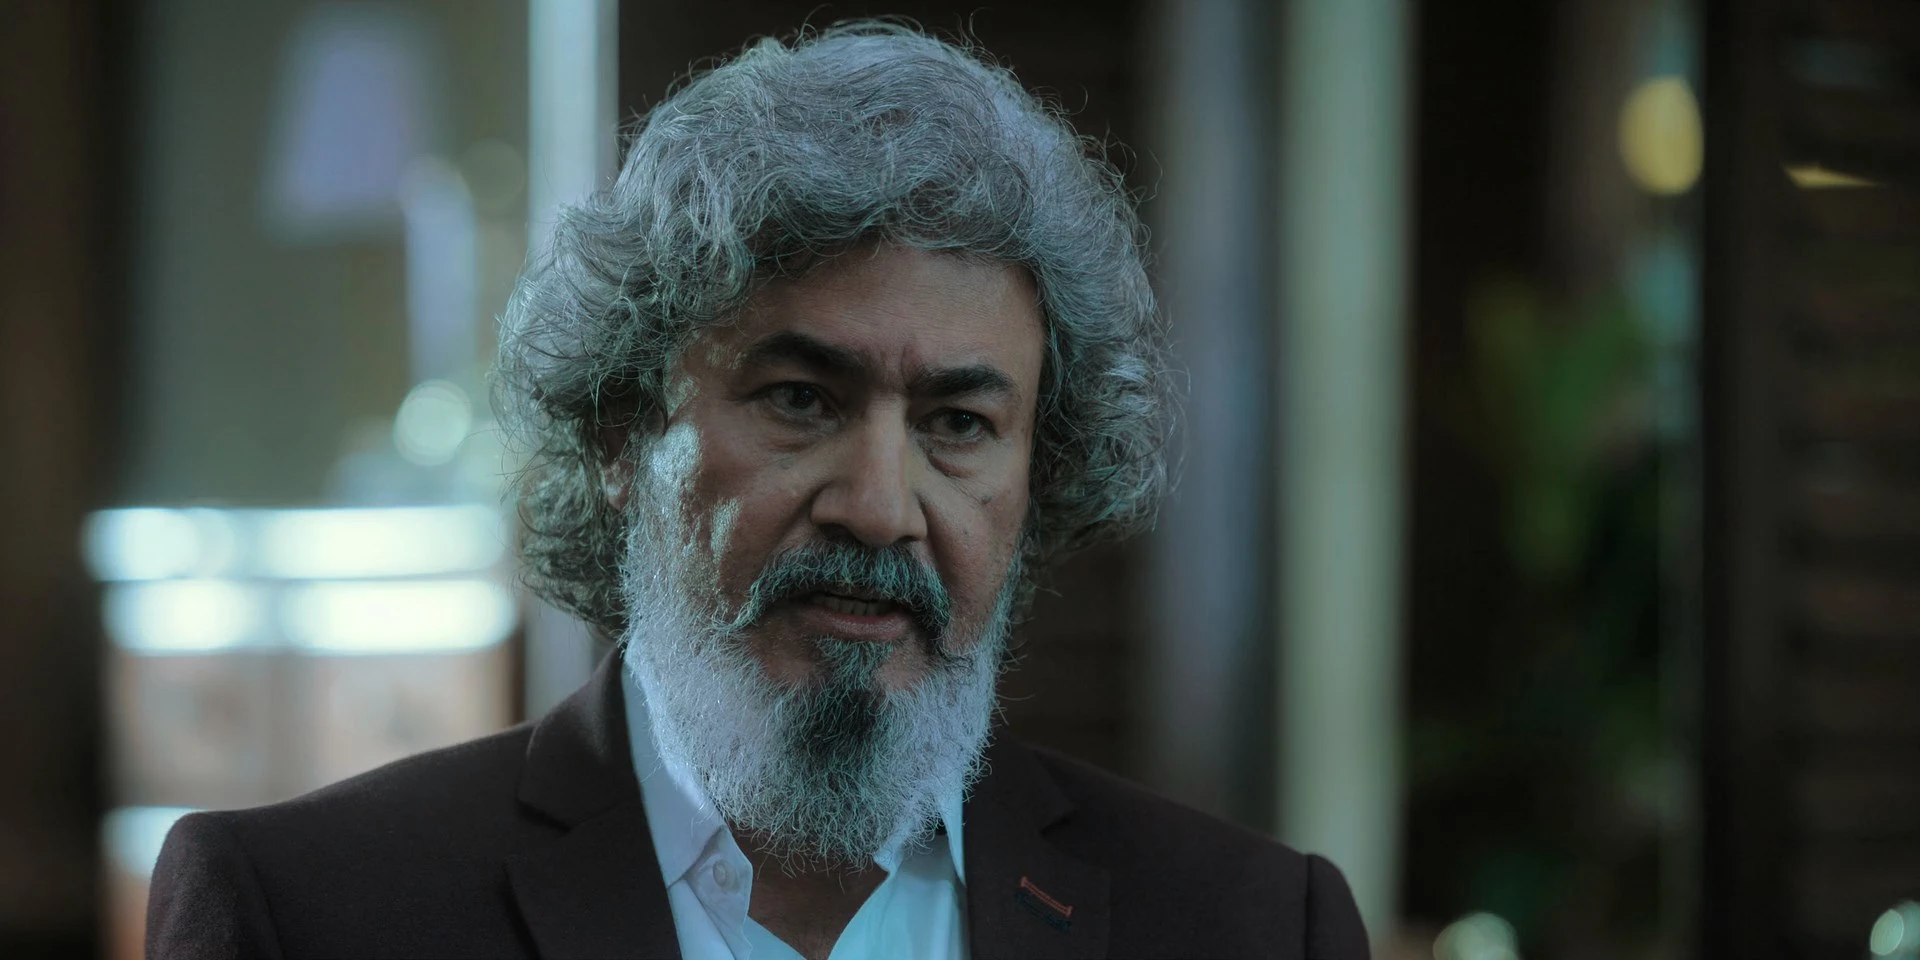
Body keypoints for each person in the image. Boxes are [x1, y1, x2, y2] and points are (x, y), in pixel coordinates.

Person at [148, 22, 1368, 960]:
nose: (879, 507)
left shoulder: (1256, 928)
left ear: (1038, 479)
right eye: (800, 400)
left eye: (957, 425)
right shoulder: (308, 915)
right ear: (622, 431)